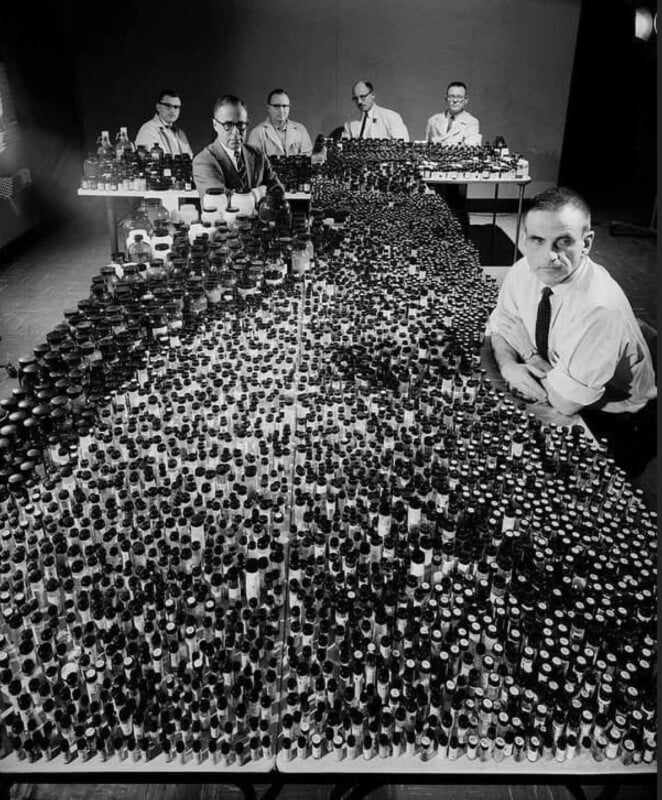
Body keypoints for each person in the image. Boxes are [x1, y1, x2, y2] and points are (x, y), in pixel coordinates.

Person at [488, 186, 656, 475]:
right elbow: (500, 325)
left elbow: (565, 402)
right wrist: (508, 365)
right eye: (537, 240)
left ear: (586, 243)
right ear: (524, 240)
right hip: (555, 389)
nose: (548, 256)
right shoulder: (524, 270)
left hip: (612, 420)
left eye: (563, 242)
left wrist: (527, 355)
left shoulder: (599, 310)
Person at [192, 95, 284, 199]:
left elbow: (278, 190)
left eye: (241, 125)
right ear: (215, 125)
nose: (236, 133)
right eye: (228, 125)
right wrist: (258, 193)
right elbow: (220, 200)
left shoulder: (258, 154)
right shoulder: (203, 161)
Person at [247, 89, 313, 157]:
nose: (281, 110)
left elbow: (308, 158)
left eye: (284, 106)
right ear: (268, 108)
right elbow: (253, 163)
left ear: (289, 107)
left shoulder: (301, 130)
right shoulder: (257, 133)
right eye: (276, 106)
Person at [342, 81, 409, 141]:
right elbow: (343, 148)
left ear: (373, 95)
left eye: (362, 97)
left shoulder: (391, 117)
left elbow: (403, 147)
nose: (359, 102)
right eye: (355, 98)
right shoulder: (350, 123)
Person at [135, 89, 193, 157]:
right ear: (158, 107)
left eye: (176, 107)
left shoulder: (180, 133)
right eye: (168, 106)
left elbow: (190, 158)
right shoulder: (148, 130)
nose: (172, 110)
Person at [425, 82, 481, 146]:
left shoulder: (472, 122)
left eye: (459, 97)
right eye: (451, 96)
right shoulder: (433, 121)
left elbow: (470, 147)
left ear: (466, 100)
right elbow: (427, 148)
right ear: (446, 99)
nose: (455, 100)